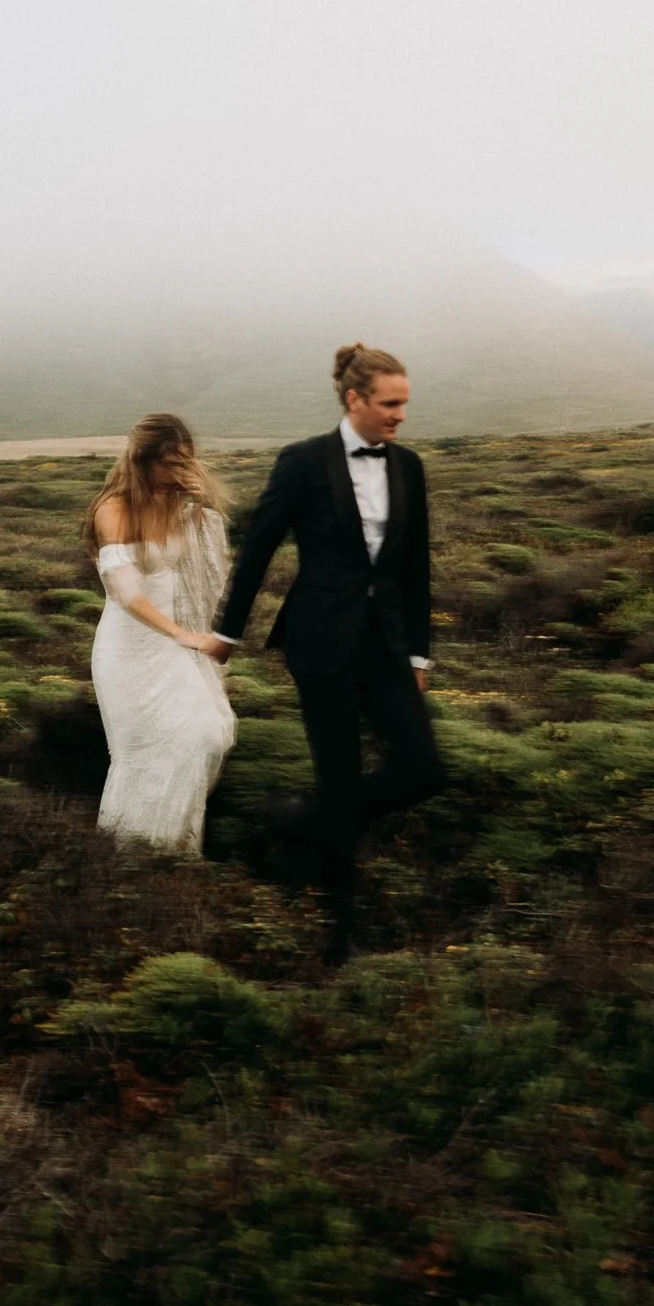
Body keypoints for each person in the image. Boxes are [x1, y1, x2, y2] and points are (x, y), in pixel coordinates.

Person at [214, 343, 446, 962]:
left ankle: (304, 821)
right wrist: (228, 634)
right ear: (355, 399)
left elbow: (415, 564)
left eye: (404, 404)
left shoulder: (410, 466)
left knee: (425, 770)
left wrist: (419, 656)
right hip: (320, 643)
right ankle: (338, 929)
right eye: (390, 404)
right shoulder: (303, 462)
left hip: (387, 645)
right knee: (340, 773)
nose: (400, 415)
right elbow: (258, 549)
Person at [86, 413, 236, 853]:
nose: (178, 472)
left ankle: (173, 852)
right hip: (128, 650)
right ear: (141, 461)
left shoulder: (179, 509)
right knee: (148, 753)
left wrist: (201, 506)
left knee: (206, 734)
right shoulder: (112, 509)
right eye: (170, 463)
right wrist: (183, 635)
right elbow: (124, 589)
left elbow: (210, 560)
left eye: (185, 462)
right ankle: (131, 857)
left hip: (170, 646)